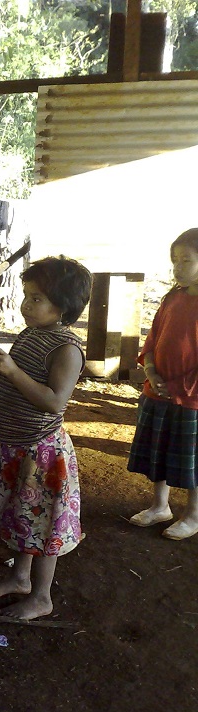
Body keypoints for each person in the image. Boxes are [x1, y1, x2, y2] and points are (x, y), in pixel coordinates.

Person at [0, 256, 92, 620]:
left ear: (63, 307)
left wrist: (12, 372)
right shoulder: (31, 334)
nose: (26, 305)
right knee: (21, 516)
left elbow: (53, 401)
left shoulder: (66, 348)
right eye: (27, 296)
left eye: (37, 299)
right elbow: (17, 383)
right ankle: (20, 577)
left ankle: (42, 596)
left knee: (44, 523)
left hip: (43, 452)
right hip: (17, 444)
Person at [127, 229, 198, 540]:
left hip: (192, 398)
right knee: (160, 449)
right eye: (174, 261)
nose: (178, 268)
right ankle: (160, 506)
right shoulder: (172, 297)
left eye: (186, 261)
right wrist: (152, 372)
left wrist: (180, 385)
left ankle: (193, 514)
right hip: (158, 391)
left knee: (191, 458)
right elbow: (154, 338)